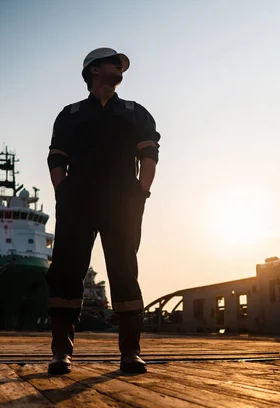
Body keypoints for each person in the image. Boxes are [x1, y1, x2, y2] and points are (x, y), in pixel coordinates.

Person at [46, 48, 160, 375]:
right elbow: (57, 157)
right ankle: (61, 353)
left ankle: (131, 352)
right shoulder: (70, 114)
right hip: (77, 201)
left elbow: (150, 154)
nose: (120, 67)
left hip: (123, 201)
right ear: (95, 70)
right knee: (66, 271)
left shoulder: (135, 112)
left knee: (124, 270)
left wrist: (141, 192)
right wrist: (64, 192)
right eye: (115, 62)